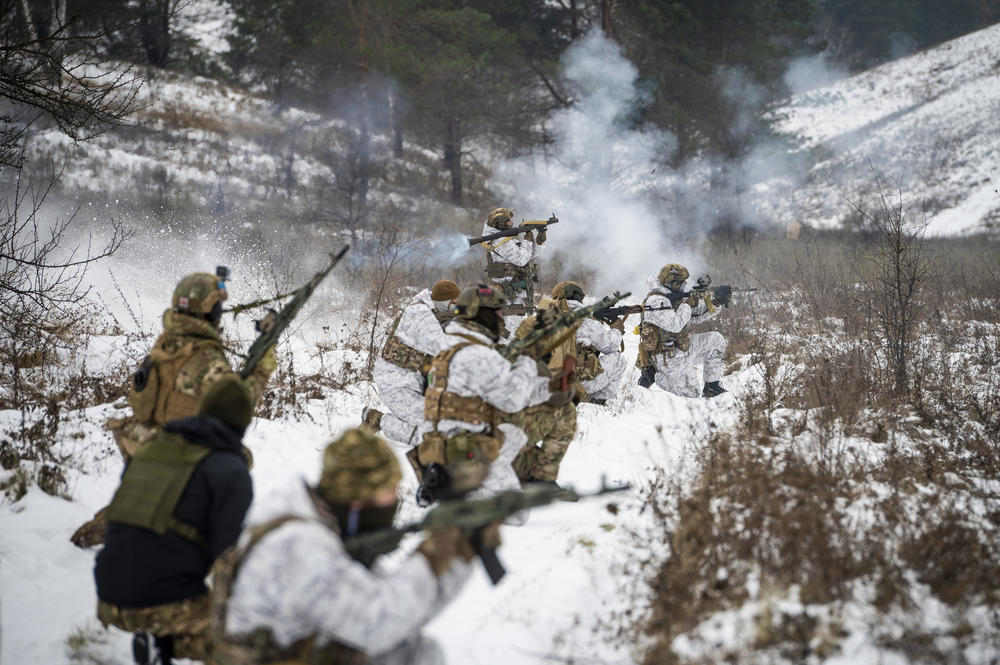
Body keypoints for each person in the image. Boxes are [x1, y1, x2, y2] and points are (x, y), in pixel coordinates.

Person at [210, 428, 481, 665]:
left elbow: (402, 617)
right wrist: (433, 554)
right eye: (388, 492)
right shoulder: (300, 546)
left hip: (295, 647)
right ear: (358, 500)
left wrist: (459, 555)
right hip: (270, 656)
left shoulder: (319, 520)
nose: (396, 500)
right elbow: (378, 624)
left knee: (415, 652)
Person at [72, 270, 277, 548]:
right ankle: (195, 526)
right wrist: (263, 364)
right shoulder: (206, 357)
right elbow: (238, 404)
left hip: (138, 438)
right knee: (240, 457)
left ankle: (118, 519)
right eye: (217, 306)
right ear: (210, 310)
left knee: (144, 497)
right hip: (171, 449)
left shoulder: (169, 340)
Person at [94, 375, 256, 664]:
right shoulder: (231, 471)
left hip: (107, 591)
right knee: (258, 645)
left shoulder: (151, 448)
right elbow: (227, 561)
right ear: (243, 424)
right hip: (162, 602)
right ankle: (166, 635)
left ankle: (160, 644)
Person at [411, 284, 552, 503]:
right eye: (497, 312)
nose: (501, 317)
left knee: (513, 434)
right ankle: (469, 489)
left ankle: (448, 480)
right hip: (467, 448)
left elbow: (499, 390)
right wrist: (528, 358)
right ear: (483, 315)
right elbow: (513, 400)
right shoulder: (479, 355)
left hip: (437, 442)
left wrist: (547, 389)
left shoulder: (450, 344)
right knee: (517, 515)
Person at [366, 279, 461, 444]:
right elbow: (444, 350)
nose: (458, 309)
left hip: (415, 384)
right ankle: (377, 420)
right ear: (445, 303)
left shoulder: (432, 311)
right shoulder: (419, 315)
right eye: (456, 304)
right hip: (396, 386)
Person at [509, 297, 580, 487]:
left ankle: (537, 476)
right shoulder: (525, 363)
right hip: (505, 432)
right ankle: (537, 478)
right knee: (565, 415)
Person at [636, 263, 728, 398]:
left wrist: (716, 303)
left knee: (716, 340)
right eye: (681, 283)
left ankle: (712, 387)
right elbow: (676, 324)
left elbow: (694, 317)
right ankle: (657, 376)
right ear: (671, 283)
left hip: (680, 348)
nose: (684, 285)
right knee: (692, 393)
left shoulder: (671, 296)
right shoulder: (656, 301)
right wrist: (687, 304)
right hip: (666, 357)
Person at [550, 281, 628, 407]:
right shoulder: (585, 321)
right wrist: (617, 330)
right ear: (577, 297)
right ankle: (597, 402)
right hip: (574, 384)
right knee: (619, 359)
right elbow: (610, 346)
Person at [477, 207, 544, 325]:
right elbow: (521, 260)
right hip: (509, 296)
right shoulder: (499, 242)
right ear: (500, 224)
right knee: (515, 333)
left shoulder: (503, 238)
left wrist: (539, 242)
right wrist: (527, 241)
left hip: (516, 294)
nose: (512, 223)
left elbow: (527, 255)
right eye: (508, 221)